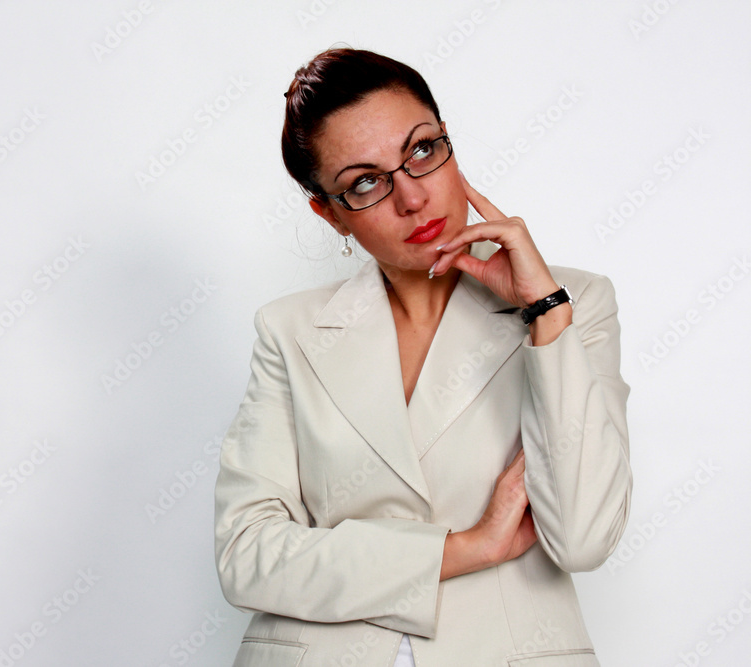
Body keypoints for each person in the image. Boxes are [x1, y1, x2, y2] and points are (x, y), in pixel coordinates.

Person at [213, 47, 631, 667]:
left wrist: (544, 311)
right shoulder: (290, 330)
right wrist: (467, 548)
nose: (411, 198)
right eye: (365, 183)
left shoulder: (572, 305)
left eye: (421, 151)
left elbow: (582, 537)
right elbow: (247, 560)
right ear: (329, 215)